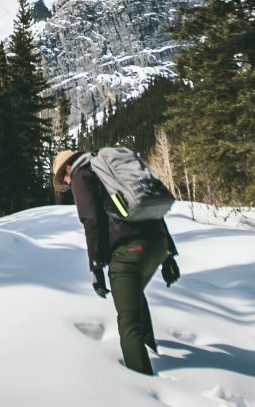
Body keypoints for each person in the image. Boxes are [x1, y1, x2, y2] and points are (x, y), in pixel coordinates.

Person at [53, 149, 181, 375]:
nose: (66, 184)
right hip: (157, 243)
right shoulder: (108, 172)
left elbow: (91, 219)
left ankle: (141, 382)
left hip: (129, 249)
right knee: (134, 295)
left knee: (128, 320)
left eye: (63, 180)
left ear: (67, 169)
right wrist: (169, 254)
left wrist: (96, 265)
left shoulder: (82, 175)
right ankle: (151, 349)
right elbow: (151, 212)